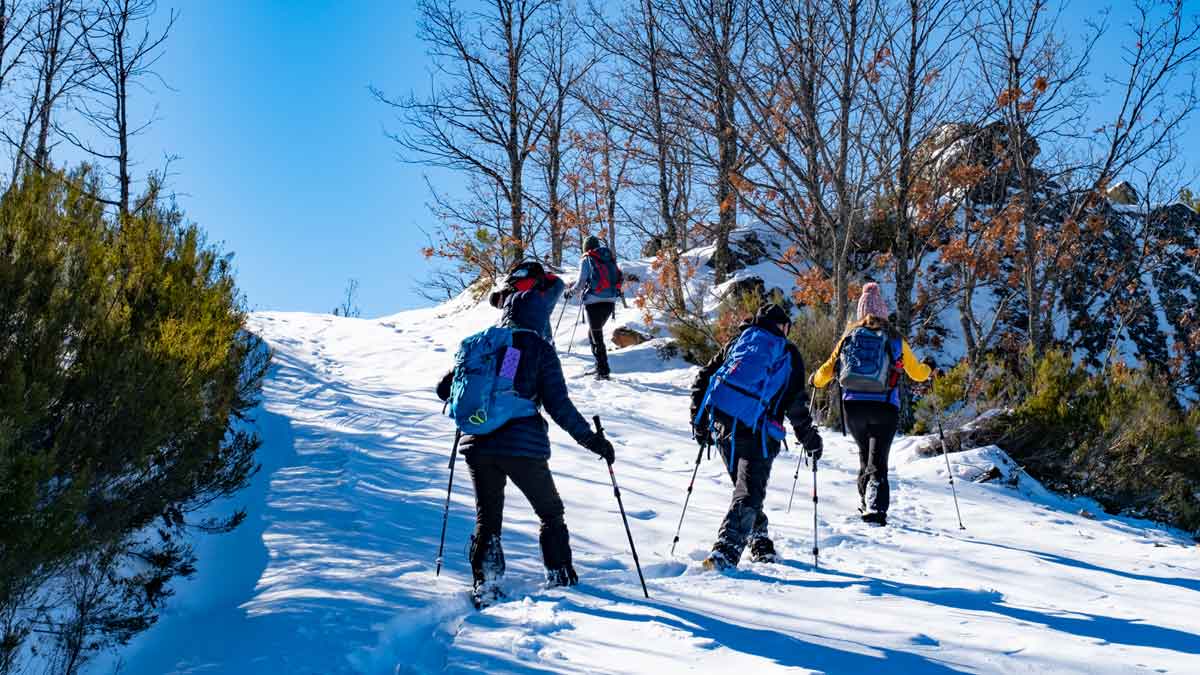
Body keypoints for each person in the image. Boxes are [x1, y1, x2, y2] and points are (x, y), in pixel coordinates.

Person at [437, 289, 615, 606]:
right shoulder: (535, 347)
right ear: (538, 316)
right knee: (550, 511)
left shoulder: (484, 344)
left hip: (477, 445)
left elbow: (445, 389)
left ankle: (487, 583)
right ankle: (559, 575)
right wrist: (593, 441)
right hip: (521, 444)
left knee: (488, 518)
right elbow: (559, 407)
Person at [689, 303, 823, 570]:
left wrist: (699, 419)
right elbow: (795, 404)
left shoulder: (739, 342)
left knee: (746, 491)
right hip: (759, 432)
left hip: (724, 426)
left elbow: (705, 377)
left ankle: (760, 540)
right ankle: (725, 551)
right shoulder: (787, 352)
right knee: (748, 492)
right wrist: (810, 438)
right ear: (783, 326)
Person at [811, 283, 931, 526]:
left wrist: (814, 379)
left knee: (865, 454)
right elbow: (918, 374)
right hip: (885, 405)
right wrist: (929, 369)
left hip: (853, 406)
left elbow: (826, 372)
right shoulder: (895, 339)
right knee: (878, 458)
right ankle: (875, 507)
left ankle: (865, 499)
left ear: (860, 312)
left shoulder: (849, 337)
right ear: (884, 312)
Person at [567, 236, 623, 380]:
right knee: (593, 334)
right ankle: (600, 366)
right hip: (610, 301)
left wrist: (570, 292)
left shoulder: (587, 259)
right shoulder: (609, 258)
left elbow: (580, 282)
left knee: (596, 336)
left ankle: (603, 371)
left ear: (586, 248)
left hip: (593, 302)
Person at [489, 260, 566, 344]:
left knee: (541, 312)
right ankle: (545, 342)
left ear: (500, 297)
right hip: (551, 285)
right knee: (539, 314)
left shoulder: (516, 289)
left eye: (500, 305)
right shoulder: (512, 291)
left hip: (554, 285)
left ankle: (547, 342)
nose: (502, 306)